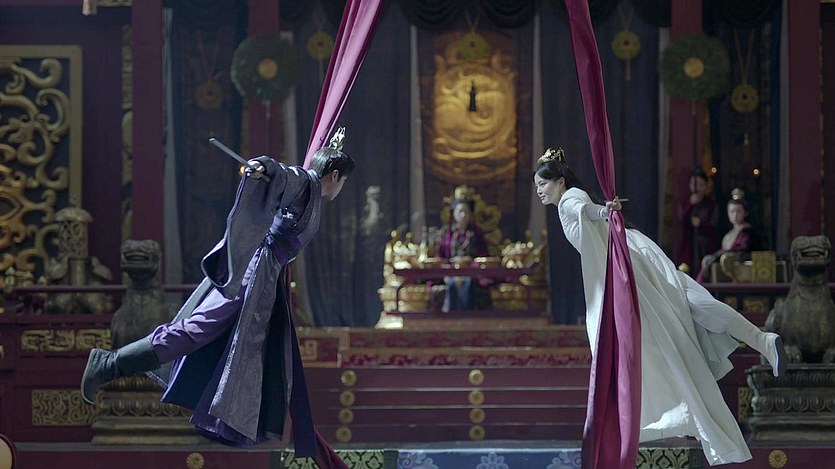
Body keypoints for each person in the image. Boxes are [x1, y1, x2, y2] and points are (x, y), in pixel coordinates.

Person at [80, 128, 354, 468]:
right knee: (198, 329)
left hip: (265, 277)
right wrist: (263, 166)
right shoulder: (305, 181)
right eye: (343, 183)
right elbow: (281, 173)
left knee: (226, 342)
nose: (340, 189)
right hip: (253, 274)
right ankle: (110, 364)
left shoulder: (310, 192)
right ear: (335, 175)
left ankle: (113, 365)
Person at [534, 148, 786, 466]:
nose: (539, 191)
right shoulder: (571, 198)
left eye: (542, 184)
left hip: (627, 267)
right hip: (632, 255)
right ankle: (762, 339)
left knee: (664, 331)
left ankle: (667, 411)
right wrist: (604, 212)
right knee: (690, 303)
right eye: (536, 186)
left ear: (559, 181)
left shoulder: (568, 199)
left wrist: (604, 211)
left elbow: (584, 209)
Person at [434, 186, 491, 311]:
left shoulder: (476, 233)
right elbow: (440, 255)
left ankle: (467, 315)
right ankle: (450, 316)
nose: (463, 215)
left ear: (470, 214)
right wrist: (446, 266)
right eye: (460, 212)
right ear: (454, 213)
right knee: (451, 283)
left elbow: (483, 255)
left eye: (466, 212)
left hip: (471, 271)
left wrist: (473, 265)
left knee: (468, 282)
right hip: (451, 270)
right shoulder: (447, 234)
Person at [697, 188, 762, 283]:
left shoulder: (747, 232)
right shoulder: (729, 234)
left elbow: (741, 251)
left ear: (745, 213)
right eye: (732, 211)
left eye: (738, 211)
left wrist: (717, 256)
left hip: (741, 270)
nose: (735, 215)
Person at [675, 168, 720, 275]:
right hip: (688, 245)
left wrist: (701, 224)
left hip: (705, 245)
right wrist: (690, 205)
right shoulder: (684, 202)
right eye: (694, 184)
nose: (697, 188)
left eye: (701, 185)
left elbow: (714, 224)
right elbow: (681, 222)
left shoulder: (711, 203)